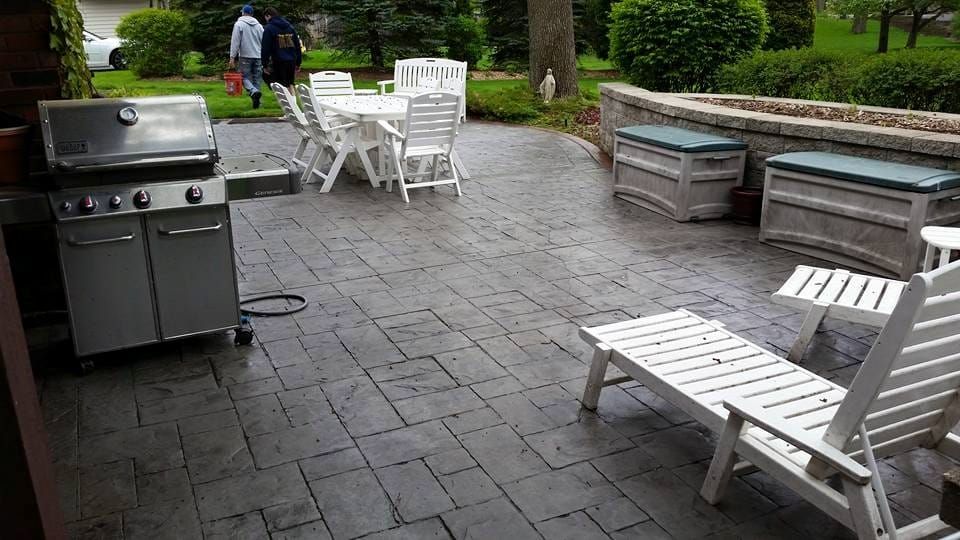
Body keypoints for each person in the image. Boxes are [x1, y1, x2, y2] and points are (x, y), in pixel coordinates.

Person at [229, 5, 264, 109]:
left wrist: (232, 57)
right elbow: (263, 41)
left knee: (243, 77)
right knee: (257, 79)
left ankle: (253, 91)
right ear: (252, 14)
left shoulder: (239, 24)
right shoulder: (259, 26)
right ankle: (257, 102)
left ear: (243, 13)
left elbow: (235, 41)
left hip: (245, 55)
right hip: (258, 55)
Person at [261, 6, 302, 95]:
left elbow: (265, 48)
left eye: (266, 18)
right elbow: (297, 46)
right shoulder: (290, 27)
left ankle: (287, 102)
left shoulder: (269, 28)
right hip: (291, 60)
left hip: (278, 61)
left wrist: (264, 64)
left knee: (280, 86)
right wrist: (298, 62)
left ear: (268, 16)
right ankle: (293, 101)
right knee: (290, 83)